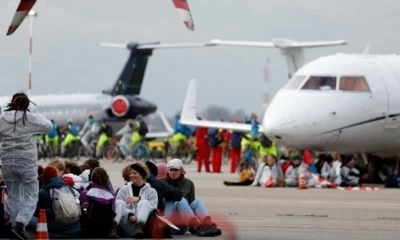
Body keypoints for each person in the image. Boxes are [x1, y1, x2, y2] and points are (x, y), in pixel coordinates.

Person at [0, 92, 52, 239]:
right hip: (27, 163)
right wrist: (35, 115)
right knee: (31, 195)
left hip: (8, 162)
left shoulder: (3, 119)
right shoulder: (30, 118)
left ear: (12, 103)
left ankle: (14, 227)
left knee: (13, 196)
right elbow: (49, 126)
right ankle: (20, 224)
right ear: (27, 105)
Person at [159, 159, 222, 236]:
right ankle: (196, 226)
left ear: (181, 170)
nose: (173, 172)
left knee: (196, 201)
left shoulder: (188, 183)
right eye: (171, 170)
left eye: (176, 170)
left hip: (184, 223)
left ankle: (208, 224)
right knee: (180, 200)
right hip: (170, 224)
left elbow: (191, 203)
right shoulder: (161, 182)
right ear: (168, 170)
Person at [26, 166, 81, 238]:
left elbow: (35, 211)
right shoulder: (69, 189)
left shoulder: (43, 193)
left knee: (26, 218)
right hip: (75, 227)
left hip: (57, 229)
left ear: (44, 178)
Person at [116, 162, 158, 238]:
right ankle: (113, 227)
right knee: (119, 202)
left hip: (142, 226)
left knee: (145, 202)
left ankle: (139, 227)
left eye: (134, 173)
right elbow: (118, 207)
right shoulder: (123, 189)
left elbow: (153, 208)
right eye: (130, 173)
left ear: (142, 175)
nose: (131, 175)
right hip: (126, 223)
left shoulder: (151, 191)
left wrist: (139, 199)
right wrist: (130, 214)